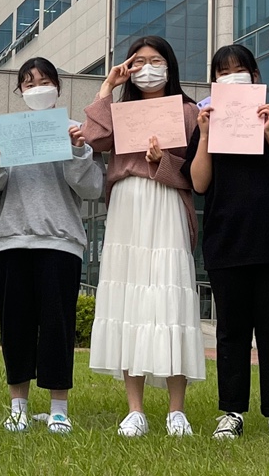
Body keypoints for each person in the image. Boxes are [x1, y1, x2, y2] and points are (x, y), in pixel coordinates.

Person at [183, 44, 269, 444]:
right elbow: (199, 183)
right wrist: (205, 135)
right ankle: (231, 412)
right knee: (231, 334)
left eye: (239, 70)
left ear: (255, 76)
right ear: (214, 82)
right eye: (222, 73)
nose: (232, 77)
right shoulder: (206, 124)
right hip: (227, 243)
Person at [81, 36, 204, 437]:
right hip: (127, 204)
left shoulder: (188, 111)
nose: (148, 69)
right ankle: (135, 409)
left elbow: (198, 174)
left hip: (167, 201)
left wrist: (163, 161)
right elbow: (94, 138)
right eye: (140, 62)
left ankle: (176, 410)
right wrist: (107, 86)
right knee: (128, 299)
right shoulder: (121, 111)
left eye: (156, 60)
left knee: (171, 296)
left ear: (170, 65)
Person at [0, 57, 103, 435]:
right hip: (12, 240)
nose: (37, 89)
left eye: (44, 81)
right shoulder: (2, 136)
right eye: (29, 83)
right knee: (15, 327)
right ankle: (18, 407)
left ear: (58, 88)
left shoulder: (74, 132)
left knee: (57, 327)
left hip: (60, 241)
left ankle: (58, 409)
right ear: (20, 91)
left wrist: (77, 151)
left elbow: (92, 188)